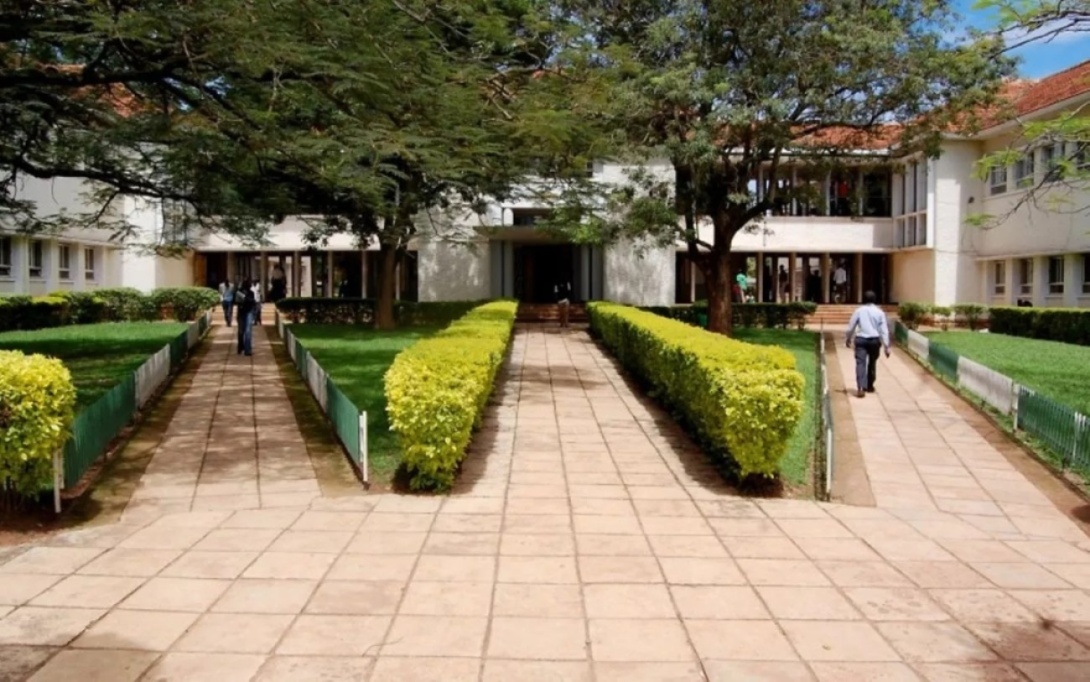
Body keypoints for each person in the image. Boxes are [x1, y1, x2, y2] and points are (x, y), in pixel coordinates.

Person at [845, 290, 891, 398]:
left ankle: (861, 387)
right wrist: (886, 346)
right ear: (874, 300)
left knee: (860, 363)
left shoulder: (859, 311)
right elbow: (884, 330)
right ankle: (870, 385)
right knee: (872, 362)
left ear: (864, 300)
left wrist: (848, 338)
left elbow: (851, 326)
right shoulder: (879, 312)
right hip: (875, 340)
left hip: (861, 339)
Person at [236, 280, 256, 356]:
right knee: (241, 332)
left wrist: (245, 298)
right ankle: (240, 346)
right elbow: (238, 302)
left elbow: (252, 302)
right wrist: (247, 299)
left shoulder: (251, 293)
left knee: (248, 331)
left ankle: (247, 350)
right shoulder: (239, 292)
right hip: (241, 313)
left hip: (249, 313)